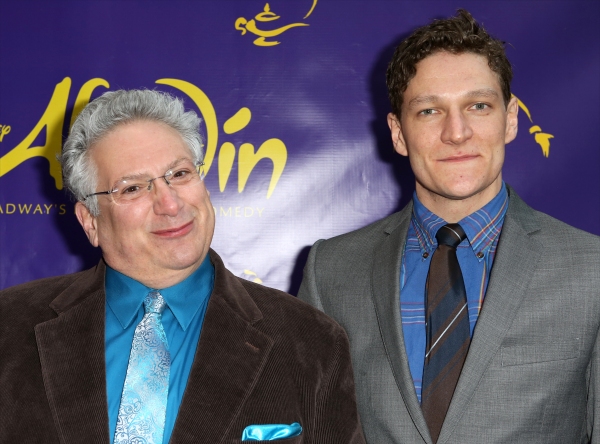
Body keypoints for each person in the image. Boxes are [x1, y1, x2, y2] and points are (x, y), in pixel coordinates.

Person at [298, 9, 599, 444]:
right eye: (428, 111)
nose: (456, 133)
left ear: (510, 118)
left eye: (478, 106)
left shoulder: (591, 269)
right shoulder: (331, 271)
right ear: (398, 133)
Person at [0, 90, 365, 444]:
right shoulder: (10, 327)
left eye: (179, 174)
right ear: (90, 221)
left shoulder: (310, 341)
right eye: (131, 189)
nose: (170, 204)